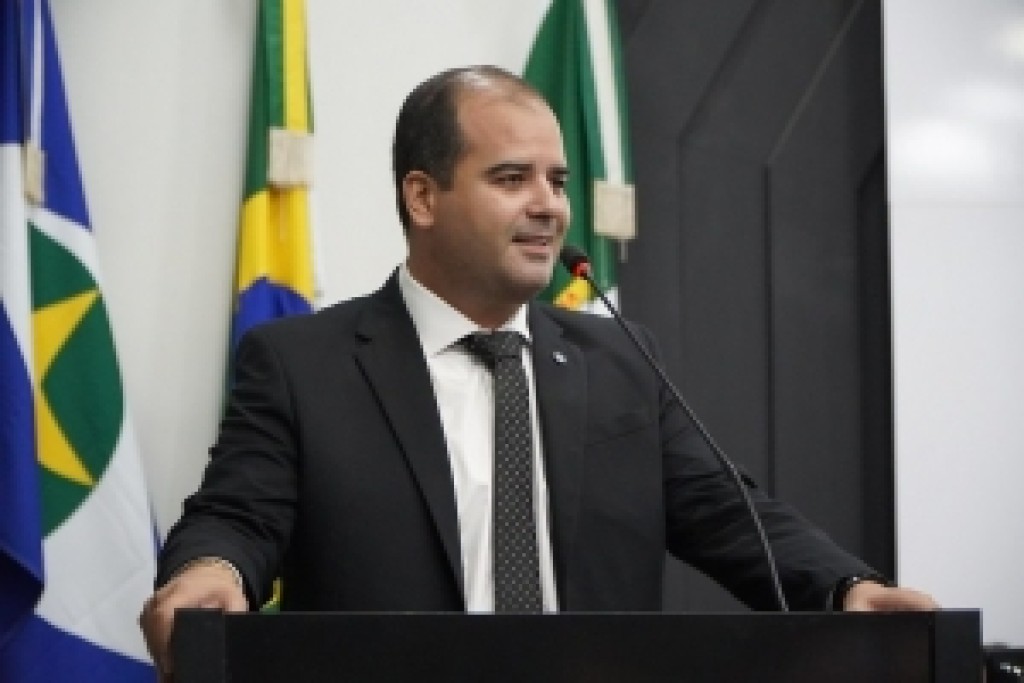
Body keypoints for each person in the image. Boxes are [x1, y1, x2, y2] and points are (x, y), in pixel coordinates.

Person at [139, 65, 937, 678]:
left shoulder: (621, 360)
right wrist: (210, 570)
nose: (550, 205)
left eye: (556, 181)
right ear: (423, 197)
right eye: (511, 178)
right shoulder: (304, 363)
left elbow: (733, 514)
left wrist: (847, 588)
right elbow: (238, 513)